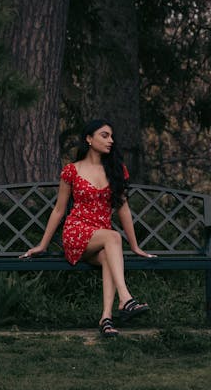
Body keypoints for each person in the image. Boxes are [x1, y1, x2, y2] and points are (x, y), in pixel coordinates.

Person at [20, 118, 156, 337]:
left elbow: (123, 210)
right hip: (76, 233)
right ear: (89, 139)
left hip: (101, 238)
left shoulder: (115, 169)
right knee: (112, 238)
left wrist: (135, 246)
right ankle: (126, 299)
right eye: (105, 135)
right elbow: (58, 210)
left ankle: (106, 318)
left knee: (108, 257)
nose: (110, 140)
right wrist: (42, 245)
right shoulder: (72, 170)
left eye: (112, 136)